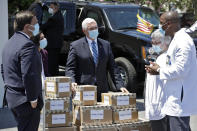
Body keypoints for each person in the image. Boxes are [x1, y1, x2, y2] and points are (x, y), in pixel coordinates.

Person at [145, 11, 197, 131]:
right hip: (173, 98)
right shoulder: (176, 40)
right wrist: (159, 68)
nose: (159, 26)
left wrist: (159, 70)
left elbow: (180, 70)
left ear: (169, 24)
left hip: (179, 100)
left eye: (161, 23)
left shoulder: (183, 42)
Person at [65, 18, 128, 102]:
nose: (94, 30)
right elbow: (70, 68)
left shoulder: (105, 45)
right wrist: (72, 81)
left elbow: (113, 67)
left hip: (102, 90)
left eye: (96, 28)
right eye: (91, 29)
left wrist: (120, 86)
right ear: (84, 31)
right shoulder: (76, 46)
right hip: (84, 90)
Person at [1, 11, 43, 131]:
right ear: (27, 27)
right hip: (26, 102)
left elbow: (3, 70)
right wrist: (33, 98)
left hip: (13, 98)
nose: (38, 26)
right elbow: (29, 74)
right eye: (36, 23)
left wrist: (11, 87)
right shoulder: (27, 45)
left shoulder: (9, 43)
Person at [145, 29, 171, 131]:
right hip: (155, 104)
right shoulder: (158, 56)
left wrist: (158, 70)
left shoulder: (166, 57)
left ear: (166, 42)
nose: (154, 45)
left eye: (157, 42)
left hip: (162, 105)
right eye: (153, 42)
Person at [40, 2, 64, 76]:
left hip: (52, 45)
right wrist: (43, 5)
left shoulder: (53, 18)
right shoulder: (59, 15)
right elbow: (48, 9)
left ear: (55, 8)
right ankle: (54, 75)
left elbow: (43, 27)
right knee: (54, 63)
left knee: (51, 63)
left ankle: (52, 77)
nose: (49, 9)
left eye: (51, 7)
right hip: (56, 44)